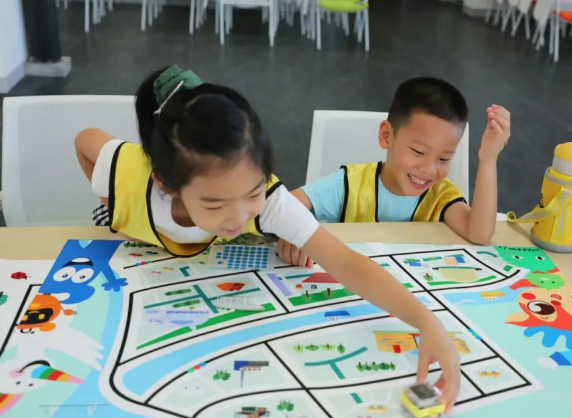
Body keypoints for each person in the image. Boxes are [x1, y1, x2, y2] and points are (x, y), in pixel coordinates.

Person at [74, 65, 461, 410]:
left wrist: (427, 322)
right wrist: (115, 205)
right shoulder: (133, 178)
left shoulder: (271, 202)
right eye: (214, 203)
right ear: (167, 183)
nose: (238, 216)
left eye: (252, 192)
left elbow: (345, 262)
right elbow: (84, 140)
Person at [279, 77, 511, 269]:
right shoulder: (350, 184)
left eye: (444, 159)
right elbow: (282, 206)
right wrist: (295, 231)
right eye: (418, 152)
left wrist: (488, 159)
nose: (429, 169)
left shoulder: (441, 197)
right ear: (387, 136)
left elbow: (479, 234)